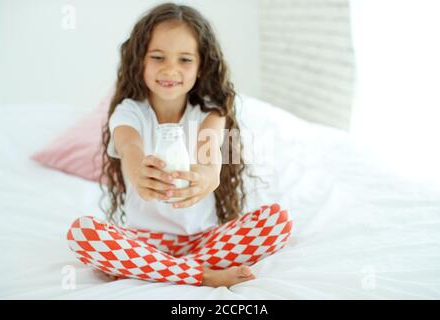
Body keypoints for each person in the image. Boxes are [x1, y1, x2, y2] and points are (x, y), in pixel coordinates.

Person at [66, 2, 293, 288]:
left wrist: (204, 178)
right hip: (145, 239)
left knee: (277, 221)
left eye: (185, 59)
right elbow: (129, 147)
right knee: (82, 233)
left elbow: (209, 161)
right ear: (141, 62)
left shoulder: (211, 113)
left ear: (201, 67)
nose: (170, 69)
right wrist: (139, 172)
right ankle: (203, 275)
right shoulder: (129, 112)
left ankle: (151, 269)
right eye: (158, 57)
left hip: (203, 239)